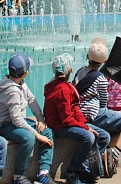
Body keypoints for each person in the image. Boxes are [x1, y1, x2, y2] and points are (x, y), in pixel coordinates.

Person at [73, 40, 121, 175]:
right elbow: (103, 103)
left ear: (87, 57)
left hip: (80, 114)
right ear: (106, 60)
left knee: (111, 130)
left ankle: (104, 155)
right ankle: (114, 153)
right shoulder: (101, 79)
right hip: (95, 114)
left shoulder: (79, 72)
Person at [0, 53, 54, 184]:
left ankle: (44, 172)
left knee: (48, 132)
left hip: (18, 122)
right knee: (29, 138)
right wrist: (37, 135)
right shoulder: (12, 91)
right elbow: (16, 120)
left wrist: (41, 119)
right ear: (25, 73)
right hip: (6, 125)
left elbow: (32, 100)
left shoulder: (21, 83)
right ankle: (18, 176)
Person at [44, 54, 97, 184]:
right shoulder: (62, 89)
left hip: (69, 123)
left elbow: (74, 108)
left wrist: (83, 123)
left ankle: (84, 167)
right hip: (60, 127)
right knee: (88, 137)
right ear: (71, 71)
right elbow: (66, 119)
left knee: (104, 136)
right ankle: (73, 172)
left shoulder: (63, 85)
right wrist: (85, 127)